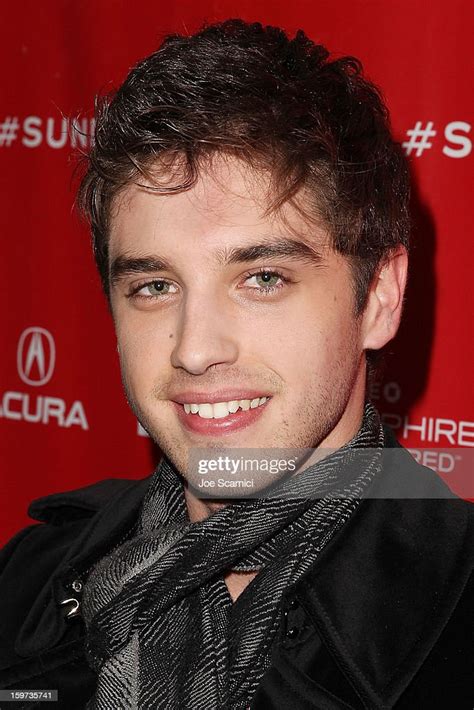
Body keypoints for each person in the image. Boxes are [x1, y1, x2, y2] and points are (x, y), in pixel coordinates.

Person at [0, 19, 472, 710]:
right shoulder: (29, 582)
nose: (195, 348)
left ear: (378, 298)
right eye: (154, 286)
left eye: (263, 279)